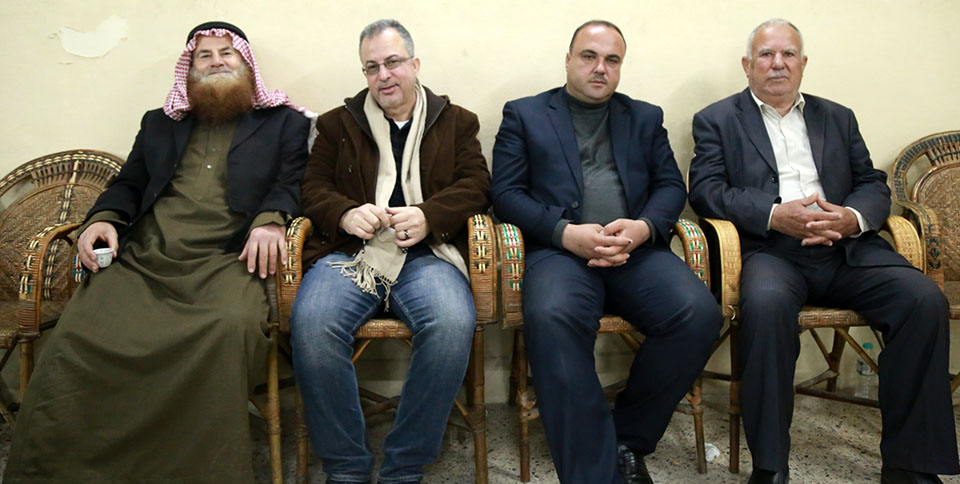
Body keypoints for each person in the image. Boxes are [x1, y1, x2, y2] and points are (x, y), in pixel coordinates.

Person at [2, 21, 311, 484]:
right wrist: (103, 218)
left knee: (228, 328)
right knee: (78, 334)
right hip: (147, 255)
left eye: (226, 53)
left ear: (246, 63)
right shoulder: (159, 123)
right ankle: (56, 471)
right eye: (204, 55)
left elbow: (293, 182)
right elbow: (128, 183)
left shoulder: (285, 122)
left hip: (227, 259)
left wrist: (271, 220)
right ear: (190, 68)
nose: (217, 62)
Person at [688, 18, 959, 484]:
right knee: (766, 307)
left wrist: (851, 217)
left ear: (803, 63)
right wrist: (774, 214)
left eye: (788, 54)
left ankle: (909, 465)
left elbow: (871, 182)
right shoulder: (717, 119)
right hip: (771, 252)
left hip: (846, 250)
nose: (778, 63)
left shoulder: (838, 116)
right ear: (747, 66)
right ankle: (771, 466)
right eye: (766, 55)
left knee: (923, 300)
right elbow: (707, 191)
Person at [491, 20, 722, 484]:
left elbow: (670, 186)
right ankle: (594, 473)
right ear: (568, 60)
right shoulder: (525, 114)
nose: (600, 68)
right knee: (552, 317)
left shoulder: (644, 117)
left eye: (612, 60)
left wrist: (642, 228)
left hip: (634, 252)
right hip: (559, 254)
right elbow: (506, 193)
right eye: (589, 56)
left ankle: (626, 440)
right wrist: (564, 233)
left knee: (698, 315)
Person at [290, 19, 490, 484]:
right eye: (372, 67)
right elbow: (312, 187)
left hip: (427, 255)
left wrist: (429, 215)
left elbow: (477, 185)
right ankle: (346, 467)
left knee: (451, 324)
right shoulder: (336, 124)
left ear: (415, 65)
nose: (383, 75)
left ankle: (404, 467)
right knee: (313, 324)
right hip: (351, 255)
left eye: (393, 62)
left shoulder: (457, 121)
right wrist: (344, 213)